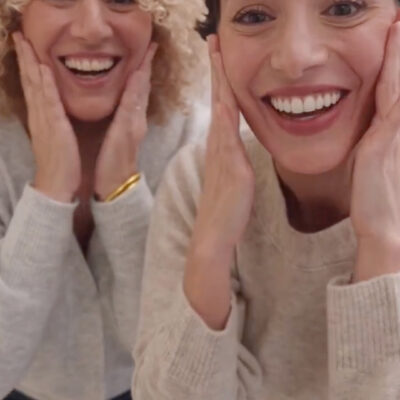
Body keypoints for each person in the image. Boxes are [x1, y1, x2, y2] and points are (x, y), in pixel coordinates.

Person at [133, 0, 400, 399]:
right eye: (254, 17)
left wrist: (380, 244)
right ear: (218, 46)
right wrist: (211, 249)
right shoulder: (197, 181)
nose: (295, 58)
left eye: (344, 8)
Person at [0, 0, 209, 398]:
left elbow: (173, 364)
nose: (92, 28)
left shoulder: (197, 133)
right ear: (13, 15)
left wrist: (122, 189)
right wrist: (50, 192)